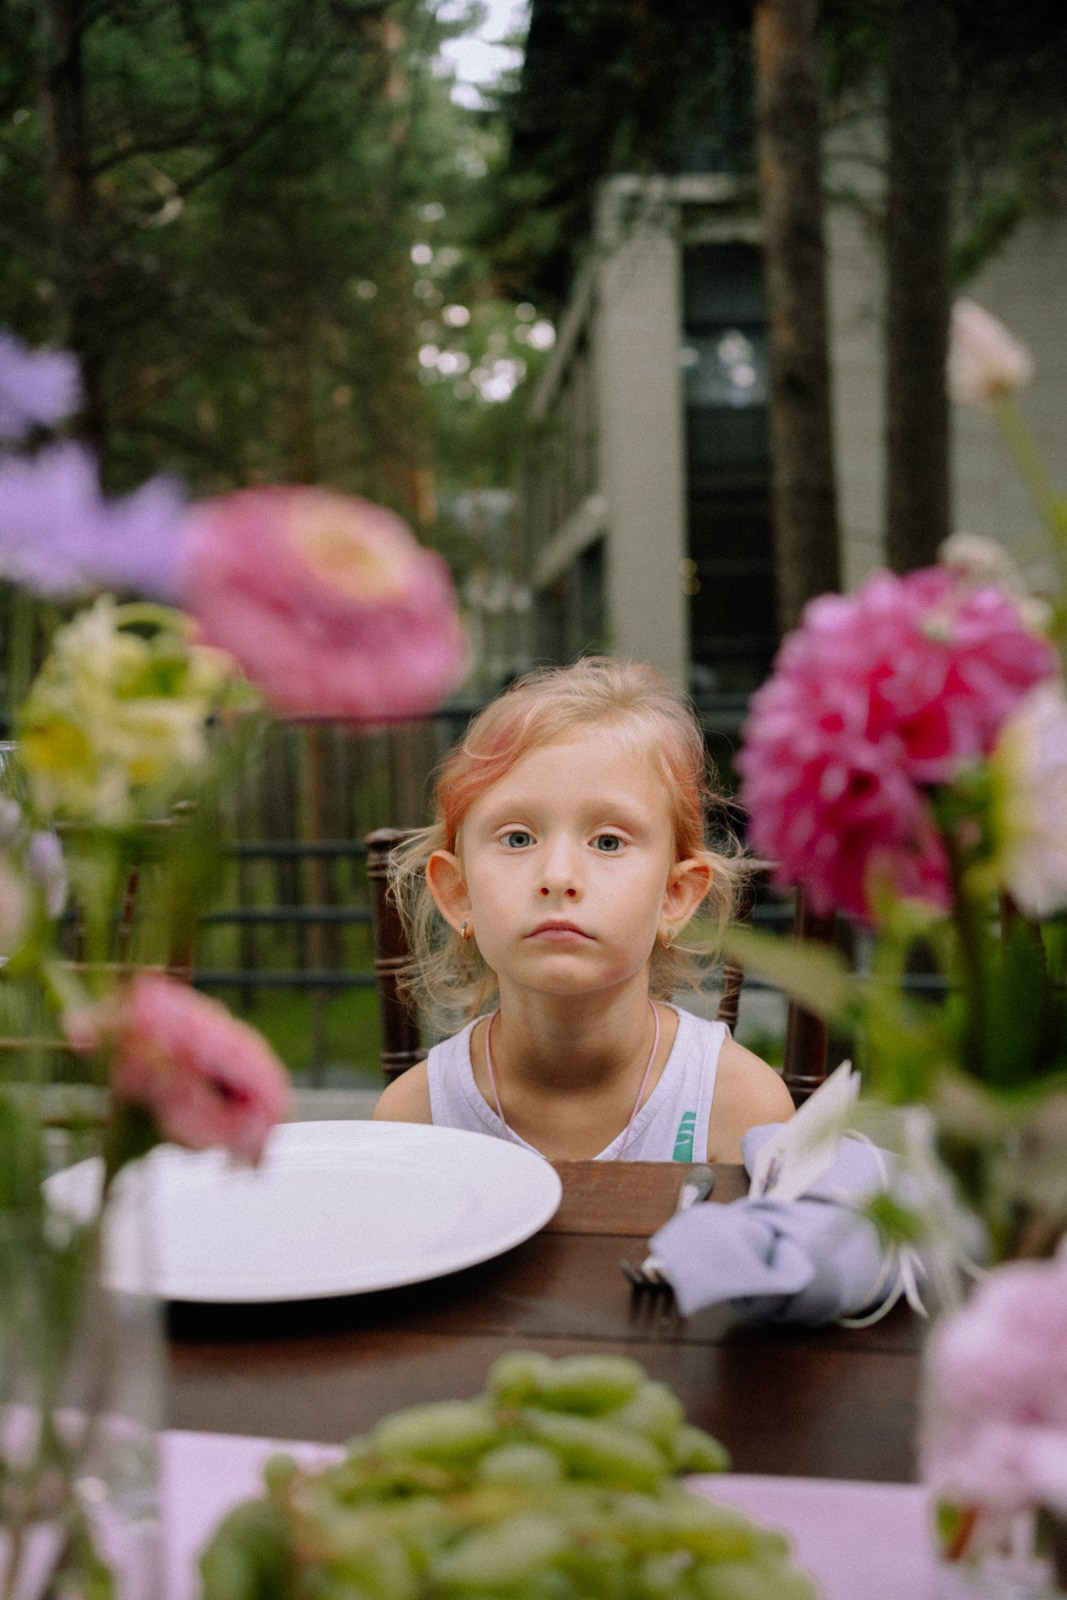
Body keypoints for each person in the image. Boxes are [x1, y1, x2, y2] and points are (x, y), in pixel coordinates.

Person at [373, 658, 793, 1162]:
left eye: (609, 842)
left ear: (674, 897)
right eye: (518, 837)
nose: (558, 877)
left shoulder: (737, 1110)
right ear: (458, 893)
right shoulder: (417, 1120)